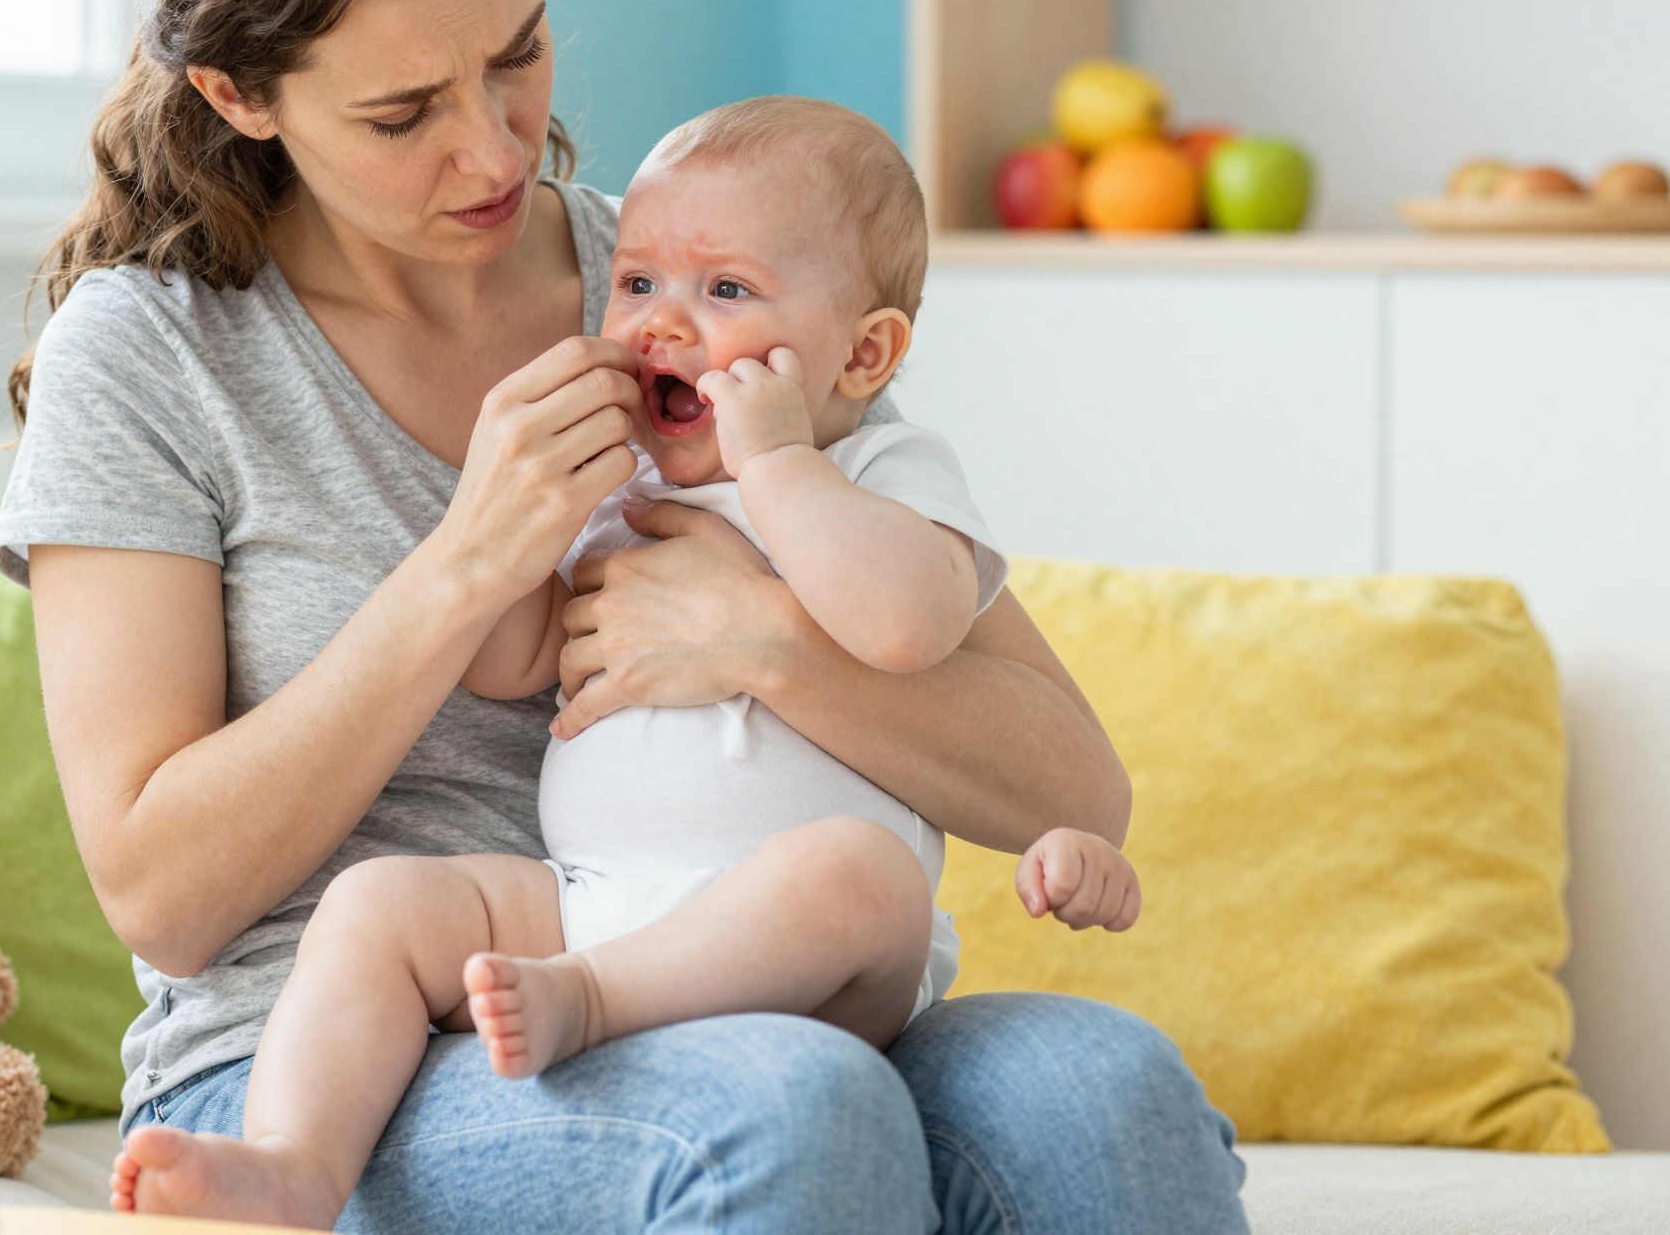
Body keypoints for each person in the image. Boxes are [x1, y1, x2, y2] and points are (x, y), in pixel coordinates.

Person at [0, 0, 1248, 1233]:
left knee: (1106, 1097)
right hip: (326, 1046)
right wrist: (468, 560)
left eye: (516, 56)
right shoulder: (151, 352)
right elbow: (162, 895)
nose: (490, 149)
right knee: (787, 1106)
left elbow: (1069, 778)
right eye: (402, 115)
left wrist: (765, 648)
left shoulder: (702, 281)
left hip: (748, 966)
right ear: (242, 95)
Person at [106, 95, 1147, 1228]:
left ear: (865, 353)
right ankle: (295, 1164)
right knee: (379, 905)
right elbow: (516, 660)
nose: (661, 320)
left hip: (807, 943)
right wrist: (500, 532)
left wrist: (770, 511)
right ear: (248, 96)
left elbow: (903, 626)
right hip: (592, 907)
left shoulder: (869, 463)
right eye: (640, 284)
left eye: (722, 293)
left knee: (944, 948)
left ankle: (592, 1004)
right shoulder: (626, 482)